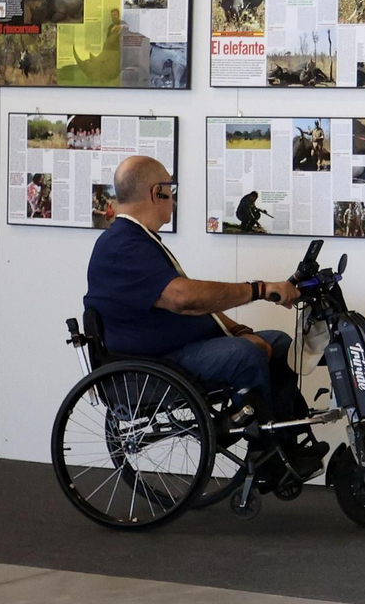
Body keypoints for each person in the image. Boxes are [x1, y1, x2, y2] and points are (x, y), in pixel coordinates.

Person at [84, 156, 324, 477]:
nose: (174, 198)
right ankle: (266, 456)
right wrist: (259, 289)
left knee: (278, 344)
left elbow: (190, 305)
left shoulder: (136, 240)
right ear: (158, 193)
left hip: (169, 348)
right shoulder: (122, 245)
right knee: (246, 355)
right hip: (154, 363)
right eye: (172, 189)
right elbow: (184, 299)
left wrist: (237, 328)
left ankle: (285, 439)